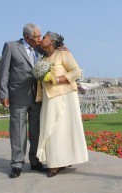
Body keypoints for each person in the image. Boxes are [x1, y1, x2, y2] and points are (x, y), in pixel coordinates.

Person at [36, 31, 89, 177]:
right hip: (48, 98)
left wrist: (57, 79)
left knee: (59, 130)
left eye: (44, 38)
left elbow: (76, 71)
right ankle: (58, 160)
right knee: (50, 129)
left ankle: (56, 163)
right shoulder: (42, 58)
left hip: (64, 96)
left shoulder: (63, 54)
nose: (41, 40)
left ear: (52, 41)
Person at [0, 23, 47, 178]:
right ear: (27, 37)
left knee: (36, 131)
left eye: (40, 36)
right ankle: (17, 164)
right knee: (18, 132)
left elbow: (54, 52)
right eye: (37, 37)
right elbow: (4, 72)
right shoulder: (12, 46)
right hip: (17, 96)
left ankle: (35, 161)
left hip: (37, 97)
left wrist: (62, 47)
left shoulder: (40, 50)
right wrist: (3, 94)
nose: (40, 39)